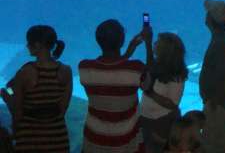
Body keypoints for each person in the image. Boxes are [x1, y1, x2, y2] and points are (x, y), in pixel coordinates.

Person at [78, 19, 148, 153]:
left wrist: (127, 53)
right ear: (122, 41)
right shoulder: (136, 69)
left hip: (94, 140)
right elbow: (148, 86)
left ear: (98, 40)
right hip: (127, 142)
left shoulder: (85, 68)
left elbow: (113, 70)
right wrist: (148, 44)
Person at [1, 25, 71, 153]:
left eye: (29, 43)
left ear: (37, 45)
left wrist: (5, 96)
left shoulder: (26, 72)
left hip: (30, 140)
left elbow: (17, 112)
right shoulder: (65, 71)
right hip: (58, 138)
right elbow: (62, 109)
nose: (27, 46)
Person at [200, 0, 225, 153]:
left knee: (212, 146)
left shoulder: (221, 43)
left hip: (220, 106)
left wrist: (213, 103)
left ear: (212, 19)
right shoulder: (221, 38)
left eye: (208, 13)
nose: (205, 15)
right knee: (218, 143)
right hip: (221, 104)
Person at [140, 32, 188, 153]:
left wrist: (150, 92)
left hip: (163, 122)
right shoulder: (158, 65)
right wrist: (147, 42)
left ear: (165, 50)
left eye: (158, 42)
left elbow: (173, 103)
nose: (155, 44)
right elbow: (150, 64)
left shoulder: (177, 75)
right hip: (145, 119)